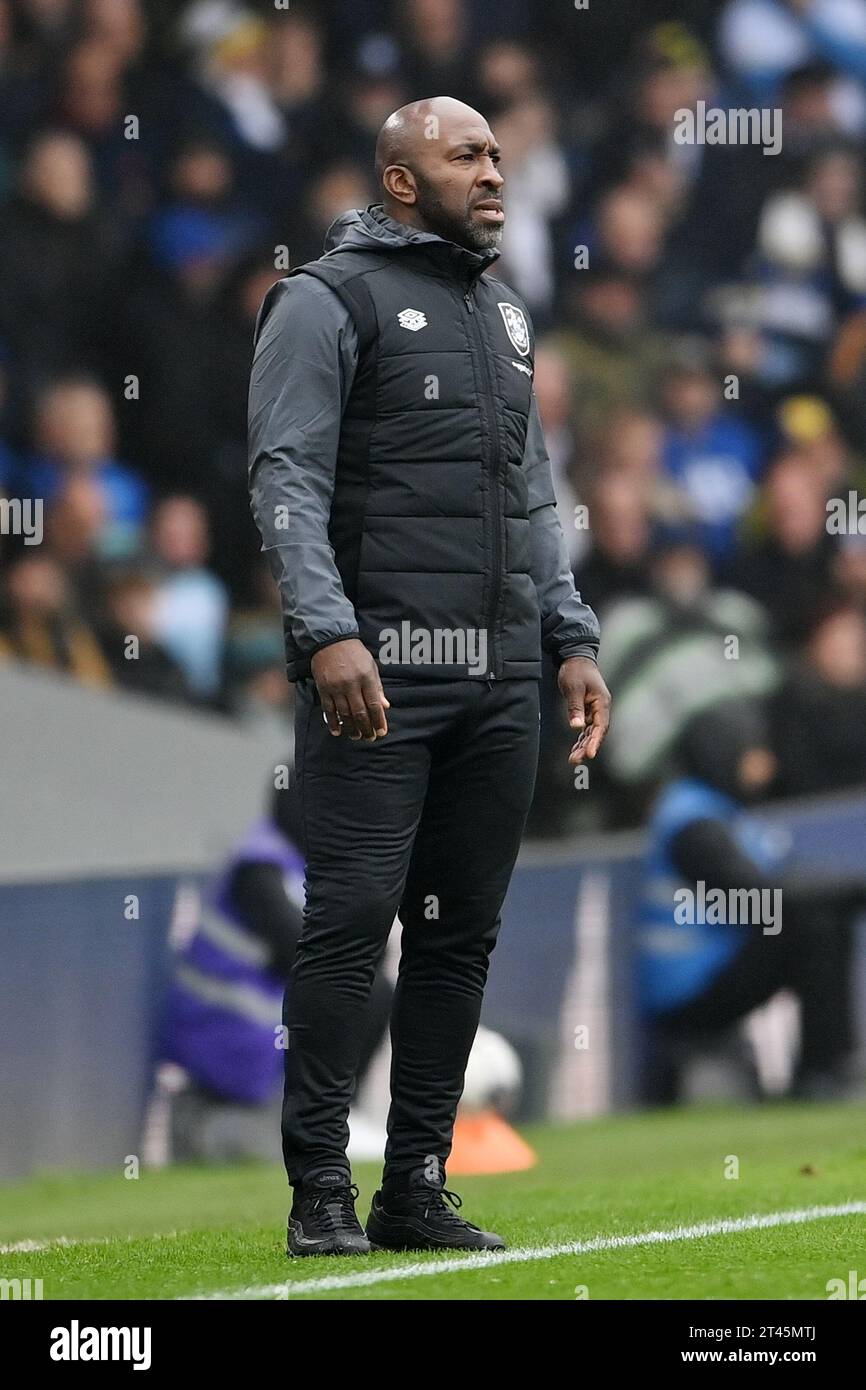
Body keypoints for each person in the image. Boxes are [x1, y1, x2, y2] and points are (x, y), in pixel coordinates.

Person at [248, 96, 609, 1256]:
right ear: (401, 181)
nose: (494, 171)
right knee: (348, 925)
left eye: (499, 153)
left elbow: (530, 495)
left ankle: (415, 1182)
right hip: (377, 676)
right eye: (467, 156)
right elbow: (284, 475)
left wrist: (570, 636)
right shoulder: (322, 298)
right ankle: (317, 1189)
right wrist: (325, 633)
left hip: (500, 677)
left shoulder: (503, 312)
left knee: (457, 937)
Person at [636, 700, 865, 1105]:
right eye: (754, 751)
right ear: (724, 750)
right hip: (689, 995)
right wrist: (850, 891)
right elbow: (757, 899)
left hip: (719, 973)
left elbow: (786, 881)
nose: (765, 764)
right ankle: (823, 1074)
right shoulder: (692, 822)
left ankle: (827, 1068)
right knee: (815, 928)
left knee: (820, 918)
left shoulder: (723, 811)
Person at [162, 778, 393, 1163]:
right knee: (356, 988)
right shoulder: (259, 867)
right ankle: (328, 1122)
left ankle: (338, 1116)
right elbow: (307, 951)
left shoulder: (304, 862)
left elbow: (364, 947)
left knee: (371, 988)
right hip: (223, 1039)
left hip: (262, 1039)